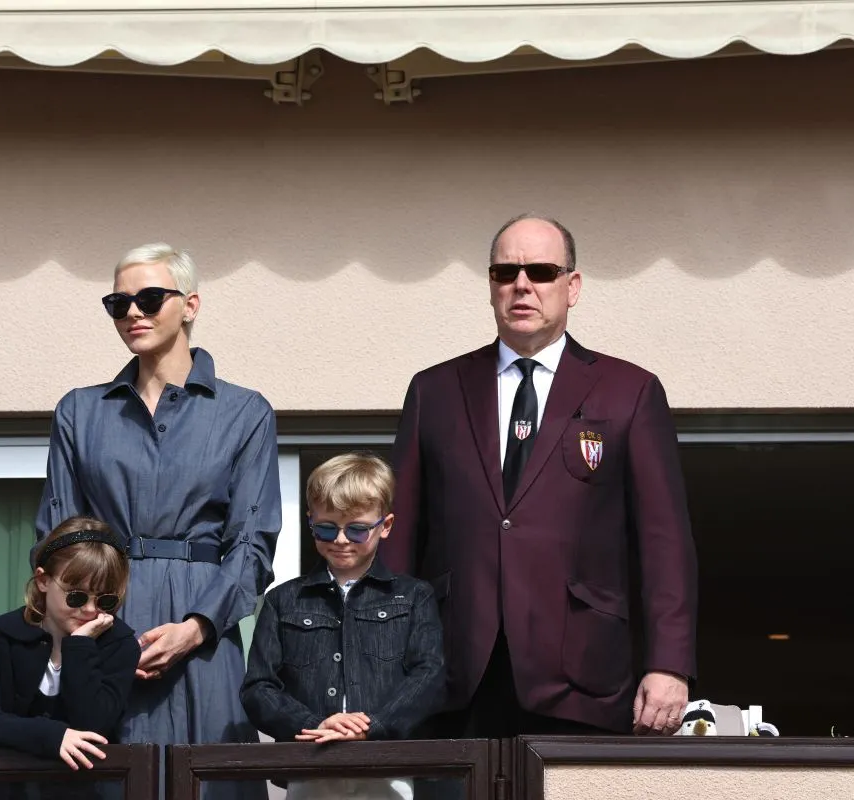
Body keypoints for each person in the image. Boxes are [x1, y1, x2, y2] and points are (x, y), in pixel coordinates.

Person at [384, 214, 697, 738]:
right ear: (490, 288)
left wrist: (668, 663)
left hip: (582, 678)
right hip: (453, 676)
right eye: (505, 272)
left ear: (572, 287)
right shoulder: (434, 390)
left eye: (541, 271)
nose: (521, 285)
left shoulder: (630, 392)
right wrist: (385, 658)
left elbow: (664, 542)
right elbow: (398, 538)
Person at [34, 243, 281, 800]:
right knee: (104, 780)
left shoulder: (245, 412)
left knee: (212, 781)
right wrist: (90, 627)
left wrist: (196, 627)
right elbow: (58, 537)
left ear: (190, 305)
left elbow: (253, 542)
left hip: (206, 634)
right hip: (100, 628)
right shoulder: (80, 411)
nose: (132, 314)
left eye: (148, 298)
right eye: (117, 303)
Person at [241, 452, 444, 800]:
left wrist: (373, 726)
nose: (340, 539)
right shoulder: (283, 600)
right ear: (309, 521)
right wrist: (312, 723)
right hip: (310, 765)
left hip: (389, 767)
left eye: (357, 528)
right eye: (325, 527)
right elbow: (258, 687)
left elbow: (429, 676)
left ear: (387, 525)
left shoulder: (413, 597)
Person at [0, 516, 139, 800]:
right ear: (43, 580)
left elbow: (94, 724)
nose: (91, 610)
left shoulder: (119, 645)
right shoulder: (4, 637)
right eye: (77, 597)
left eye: (105, 600)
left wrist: (80, 645)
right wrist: (50, 736)